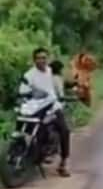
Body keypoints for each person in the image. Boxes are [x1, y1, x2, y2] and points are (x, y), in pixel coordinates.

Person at [24, 48, 71, 177]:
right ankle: (34, 155)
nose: (42, 60)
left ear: (47, 59)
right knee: (36, 132)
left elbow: (55, 88)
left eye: (44, 57)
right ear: (34, 60)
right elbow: (23, 91)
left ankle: (64, 163)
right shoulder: (29, 75)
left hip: (53, 107)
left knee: (65, 131)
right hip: (37, 108)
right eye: (39, 58)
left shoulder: (50, 72)